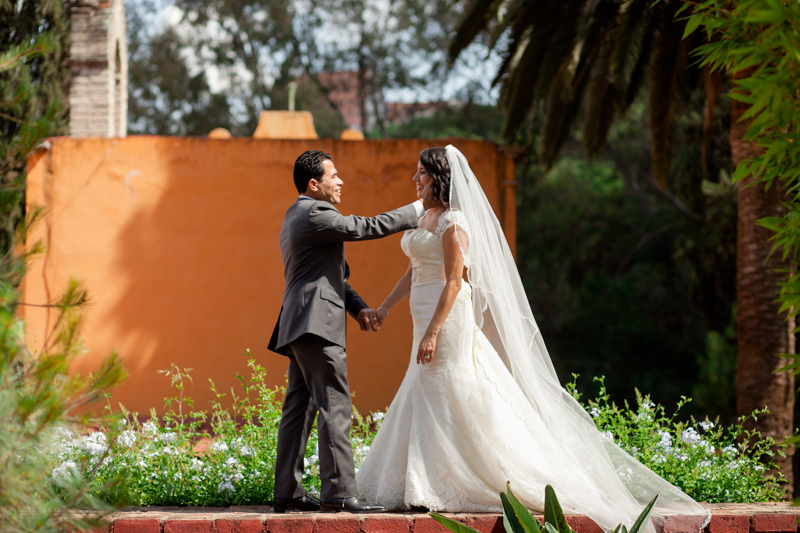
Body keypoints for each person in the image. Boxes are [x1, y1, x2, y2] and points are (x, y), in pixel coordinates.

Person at [355, 146, 710, 532]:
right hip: (420, 311)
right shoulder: (425, 217)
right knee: (425, 383)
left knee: (443, 384)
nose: (415, 178)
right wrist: (386, 307)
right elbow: (415, 269)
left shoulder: (455, 222)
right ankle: (427, 477)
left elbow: (456, 281)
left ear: (438, 177)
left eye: (421, 172)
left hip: (447, 315)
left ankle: (443, 479)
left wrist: (434, 331)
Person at [268, 149, 423, 513]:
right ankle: (338, 493)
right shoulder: (317, 213)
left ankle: (287, 492)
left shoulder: (296, 215)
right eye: (333, 176)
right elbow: (364, 227)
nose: (341, 182)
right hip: (317, 324)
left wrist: (359, 309)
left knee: (300, 407)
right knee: (335, 405)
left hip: (301, 322)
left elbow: (333, 276)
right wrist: (416, 210)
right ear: (314, 184)